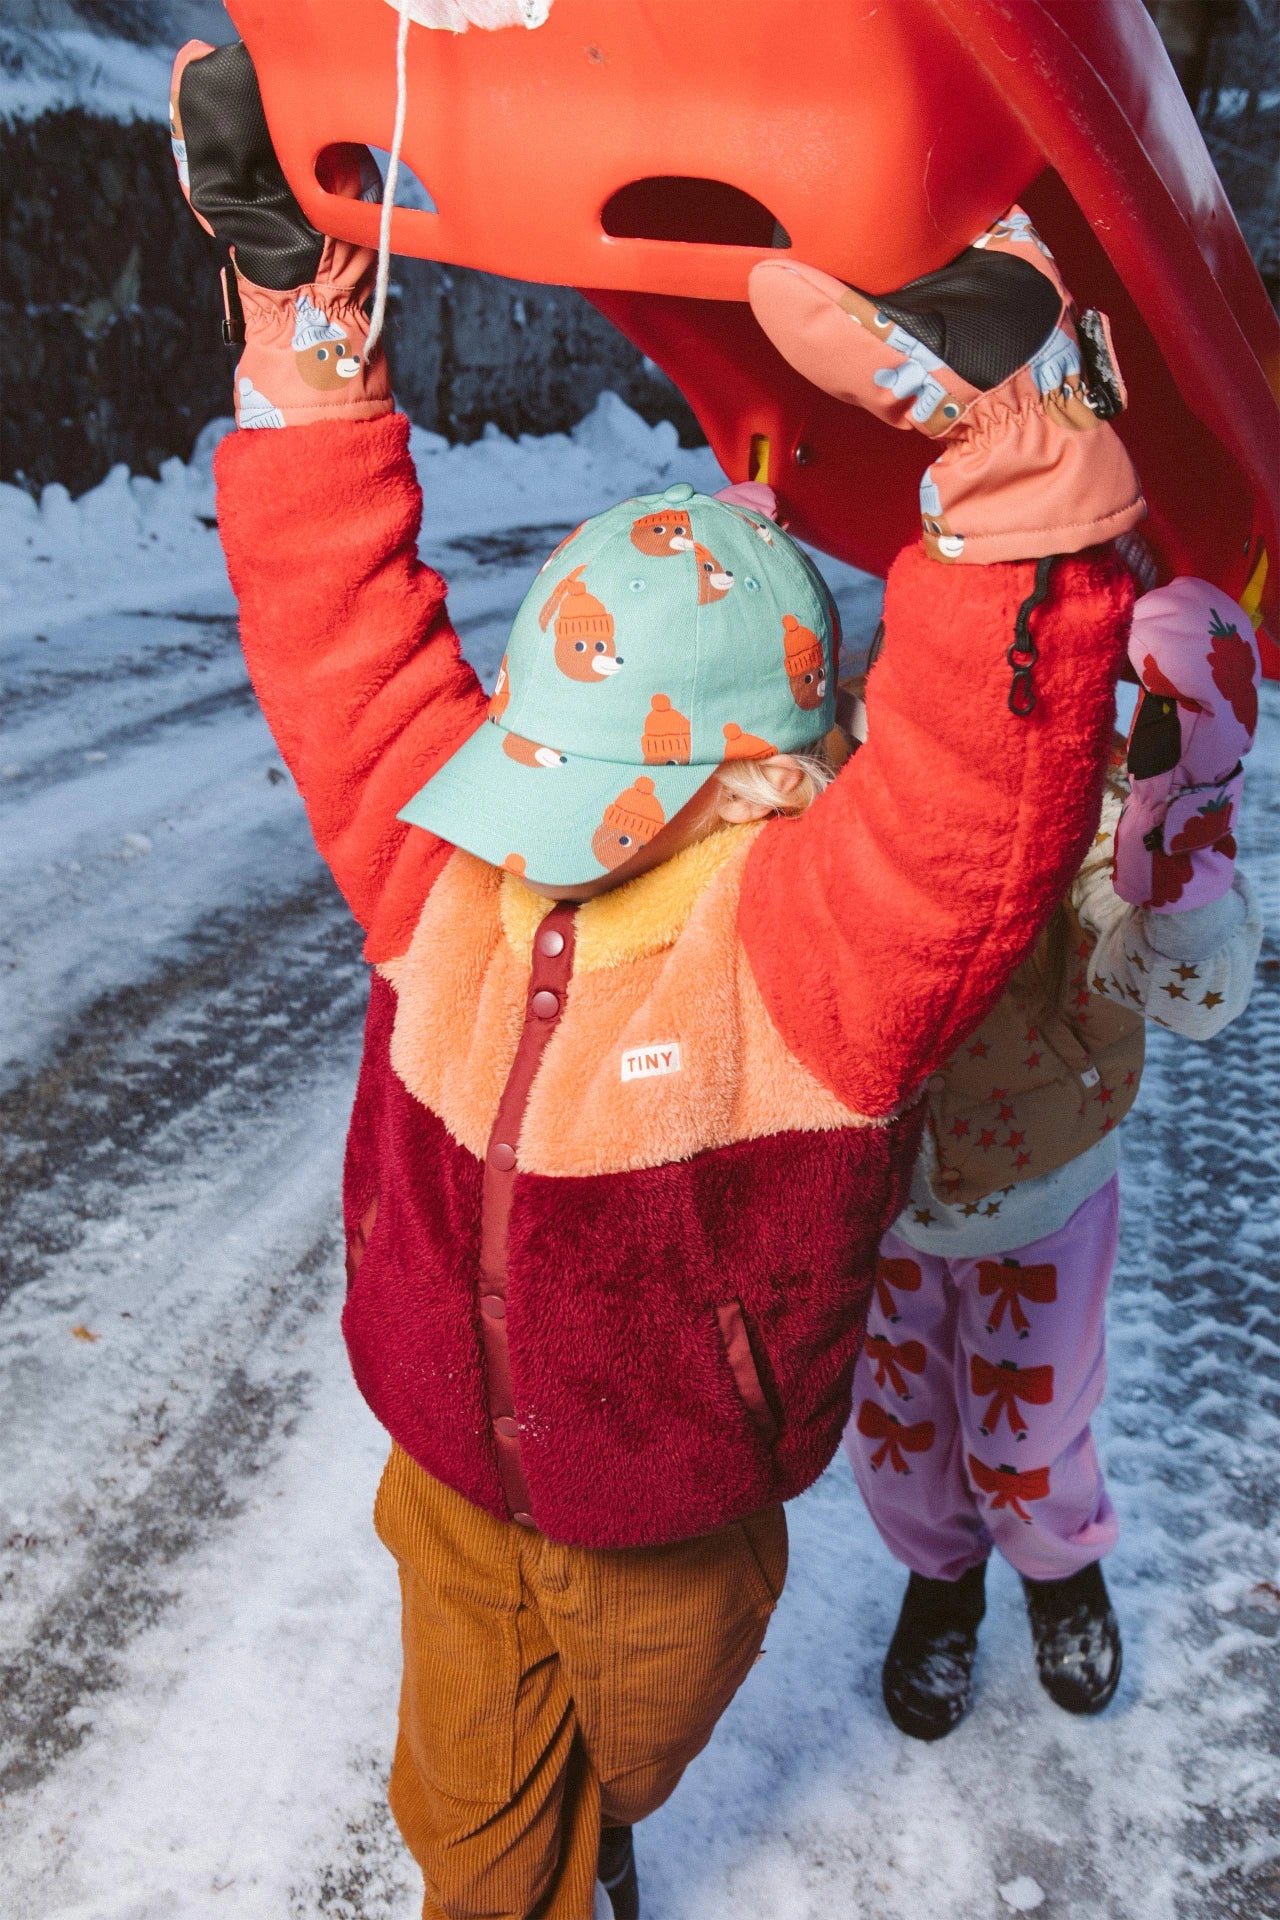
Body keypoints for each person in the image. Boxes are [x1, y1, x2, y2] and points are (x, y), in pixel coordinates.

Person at [171, 41, 1140, 1920]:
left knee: (621, 1749)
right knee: (464, 1806)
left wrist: (1014, 475)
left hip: (663, 1534)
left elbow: (965, 803)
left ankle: (580, 1828)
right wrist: (305, 338)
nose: (542, 819)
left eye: (604, 786)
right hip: (446, 1464)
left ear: (758, 787)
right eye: (544, 758)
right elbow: (345, 646)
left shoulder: (800, 964)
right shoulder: (450, 861)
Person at [839, 580, 1262, 1740]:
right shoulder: (843, 790)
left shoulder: (1087, 820)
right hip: (879, 1204)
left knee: (1024, 1437)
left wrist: (1183, 843)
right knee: (896, 1434)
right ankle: (939, 1581)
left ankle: (1058, 1567)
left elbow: (1189, 988)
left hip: (1040, 1196)